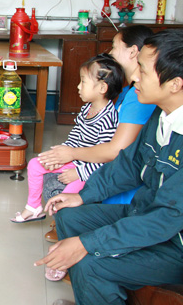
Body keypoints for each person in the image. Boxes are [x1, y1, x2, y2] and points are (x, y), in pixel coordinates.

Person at [36, 30, 183, 305]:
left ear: (175, 84)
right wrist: (83, 195)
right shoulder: (162, 116)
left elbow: (167, 217)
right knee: (69, 215)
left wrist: (87, 244)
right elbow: (129, 165)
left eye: (143, 71)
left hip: (175, 244)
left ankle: (93, 284)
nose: (135, 77)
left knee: (89, 262)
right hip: (144, 213)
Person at [39, 25, 156, 242]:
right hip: (108, 170)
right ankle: (64, 219)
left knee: (57, 181)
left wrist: (72, 155)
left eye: (114, 47)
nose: (110, 53)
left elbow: (116, 150)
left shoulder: (138, 97)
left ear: (132, 51)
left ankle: (66, 221)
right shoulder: (127, 92)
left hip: (120, 184)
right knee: (49, 171)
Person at [11, 53, 123, 221]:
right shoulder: (87, 109)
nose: (78, 86)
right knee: (34, 164)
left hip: (88, 168)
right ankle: (33, 207)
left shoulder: (108, 118)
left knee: (65, 196)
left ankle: (61, 225)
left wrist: (79, 173)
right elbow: (74, 137)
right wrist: (59, 157)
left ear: (102, 88)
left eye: (83, 82)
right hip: (74, 159)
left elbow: (105, 159)